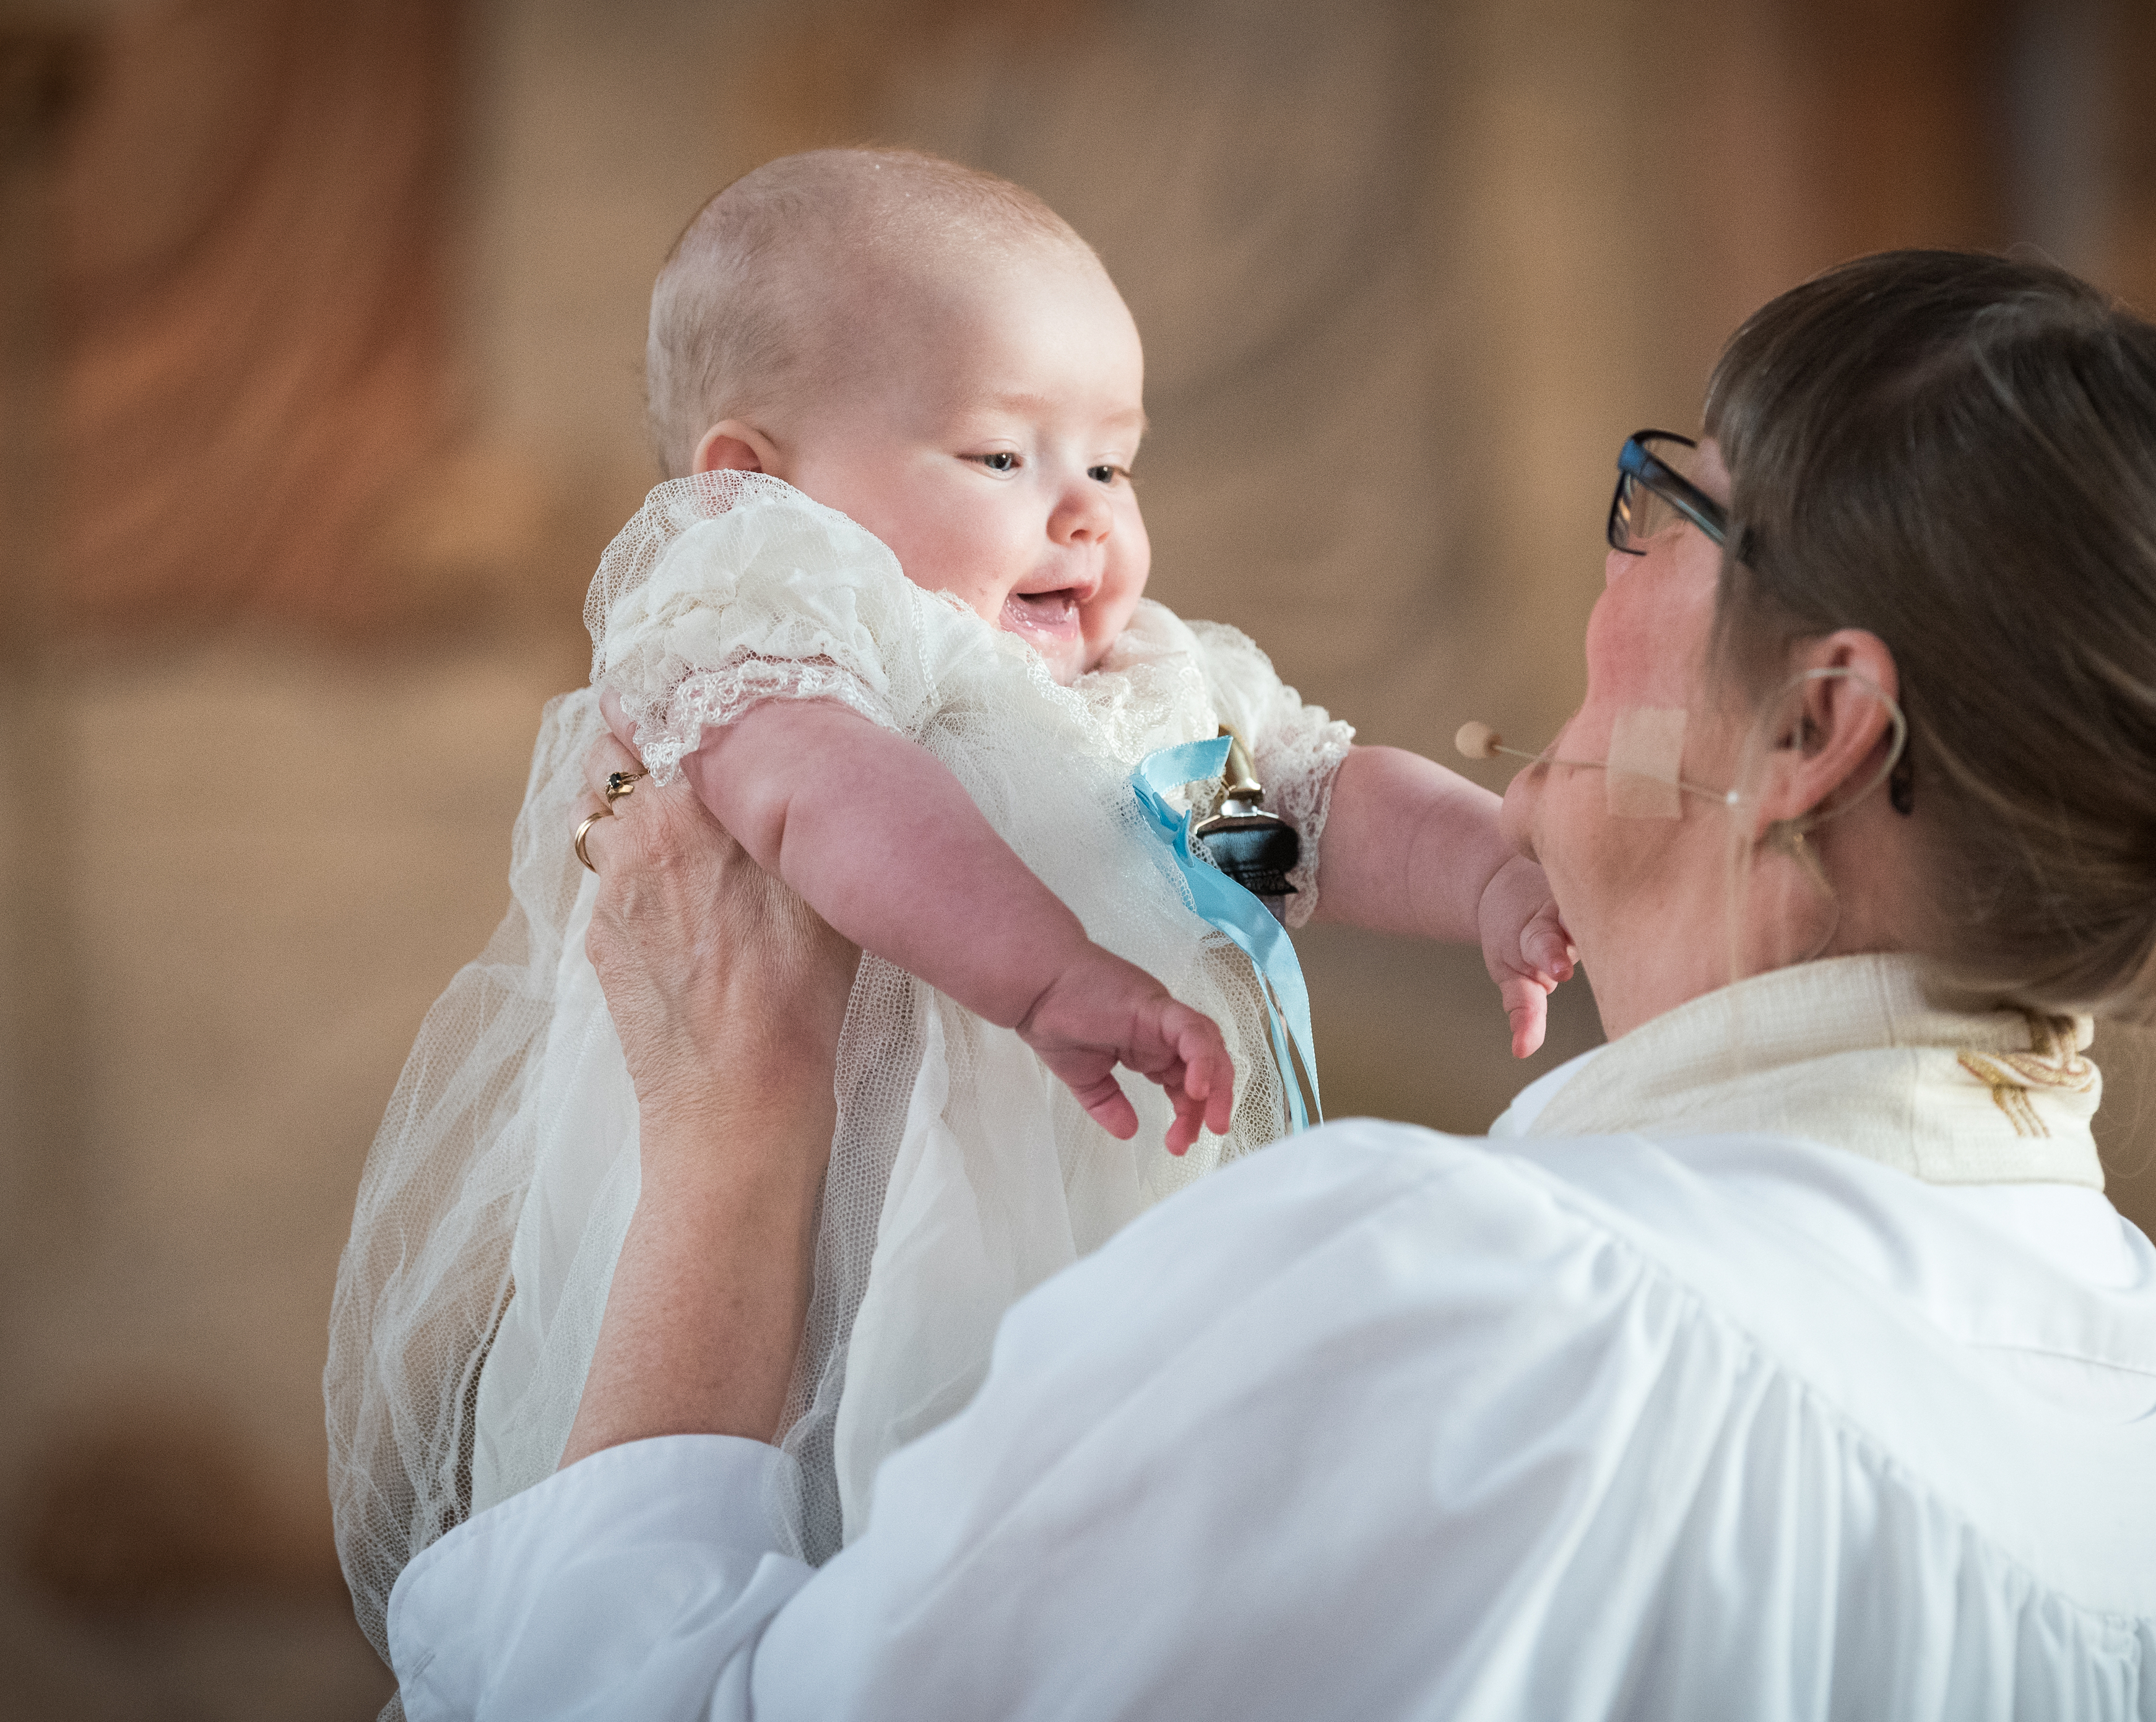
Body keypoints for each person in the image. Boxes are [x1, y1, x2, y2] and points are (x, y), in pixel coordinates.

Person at [381, 250, 2156, 1718]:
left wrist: (727, 1145)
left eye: (1670, 508)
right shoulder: (2134, 1413)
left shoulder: (1472, 1316)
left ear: (1815, 727)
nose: (1605, 564)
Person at [326, 148, 1572, 1662]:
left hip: (1134, 1229)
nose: (1084, 519)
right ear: (753, 486)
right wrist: (1046, 976)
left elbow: (1299, 818)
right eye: (1002, 459)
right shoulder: (787, 631)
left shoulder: (1146, 697)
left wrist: (1493, 867)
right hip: (869, 1250)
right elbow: (834, 801)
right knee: (881, 1551)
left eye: (1110, 463)